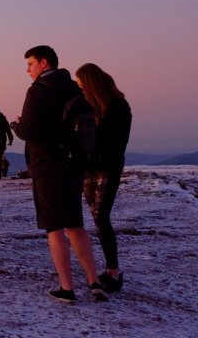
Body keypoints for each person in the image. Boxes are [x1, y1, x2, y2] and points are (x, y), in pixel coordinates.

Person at [12, 45, 108, 303]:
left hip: (48, 167)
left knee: (54, 228)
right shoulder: (74, 88)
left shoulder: (39, 90)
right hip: (73, 166)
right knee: (76, 225)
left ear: (44, 63)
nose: (27, 70)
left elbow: (30, 130)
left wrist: (17, 125)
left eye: (30, 64)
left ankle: (67, 288)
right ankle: (94, 281)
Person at [76, 63, 133, 294]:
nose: (79, 89)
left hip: (107, 167)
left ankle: (113, 271)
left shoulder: (117, 106)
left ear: (91, 83)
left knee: (102, 217)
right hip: (90, 168)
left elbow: (114, 141)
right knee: (98, 217)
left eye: (81, 85)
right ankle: (111, 269)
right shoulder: (90, 106)